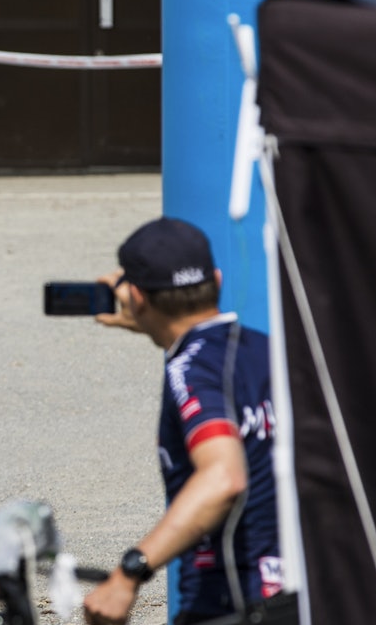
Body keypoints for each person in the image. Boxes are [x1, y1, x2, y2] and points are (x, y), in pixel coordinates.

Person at [83, 217, 283, 625]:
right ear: (217, 280)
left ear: (136, 297)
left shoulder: (190, 370)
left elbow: (223, 478)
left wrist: (128, 573)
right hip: (296, 593)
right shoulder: (268, 351)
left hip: (230, 604)